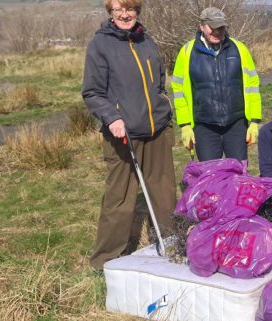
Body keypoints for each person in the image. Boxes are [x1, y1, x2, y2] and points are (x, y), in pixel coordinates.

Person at [82, 0, 176, 271]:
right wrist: (112, 117)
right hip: (122, 133)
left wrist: (163, 107)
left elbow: (159, 81)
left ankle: (170, 244)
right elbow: (92, 92)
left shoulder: (148, 40)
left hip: (156, 129)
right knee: (120, 199)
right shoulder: (100, 45)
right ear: (110, 12)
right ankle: (106, 261)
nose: (125, 14)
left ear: (138, 10)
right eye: (118, 9)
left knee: (164, 191)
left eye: (130, 9)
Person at [171, 7, 262, 161]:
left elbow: (252, 85)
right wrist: (185, 125)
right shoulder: (187, 52)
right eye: (213, 27)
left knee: (238, 174)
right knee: (210, 175)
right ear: (201, 26)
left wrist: (254, 121)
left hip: (236, 123)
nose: (218, 31)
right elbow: (178, 91)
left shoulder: (239, 49)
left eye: (221, 27)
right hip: (204, 125)